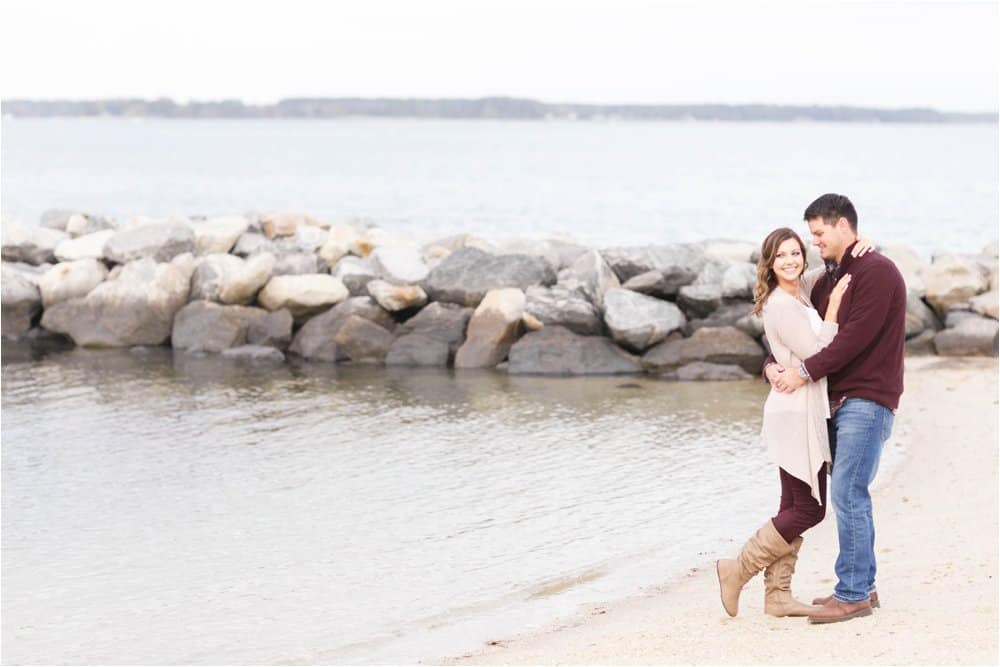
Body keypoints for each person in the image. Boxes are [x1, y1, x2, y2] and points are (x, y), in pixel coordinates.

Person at [767, 193, 907, 625]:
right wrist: (771, 364)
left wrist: (805, 371)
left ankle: (853, 594)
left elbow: (851, 341)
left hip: (867, 399)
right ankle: (860, 585)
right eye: (811, 234)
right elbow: (793, 326)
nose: (815, 241)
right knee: (847, 492)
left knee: (848, 491)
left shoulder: (877, 272)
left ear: (843, 226)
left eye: (819, 233)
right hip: (837, 403)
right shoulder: (833, 275)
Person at [716, 226, 859, 618]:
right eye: (781, 256)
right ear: (769, 263)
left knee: (792, 504)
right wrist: (833, 310)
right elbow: (817, 351)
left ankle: (778, 596)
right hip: (794, 411)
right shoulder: (781, 303)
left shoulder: (801, 290)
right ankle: (737, 570)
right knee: (810, 509)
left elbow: (830, 268)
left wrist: (859, 245)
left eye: (796, 253)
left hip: (799, 408)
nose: (791, 261)